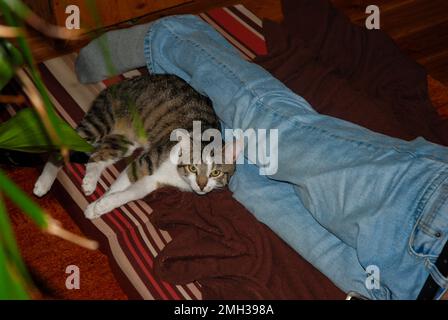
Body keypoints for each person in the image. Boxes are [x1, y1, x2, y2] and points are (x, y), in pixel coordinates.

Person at [75, 15, 448, 300]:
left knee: (248, 185)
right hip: (430, 214)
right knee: (273, 126)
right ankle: (171, 38)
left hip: (399, 289)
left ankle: (199, 114)